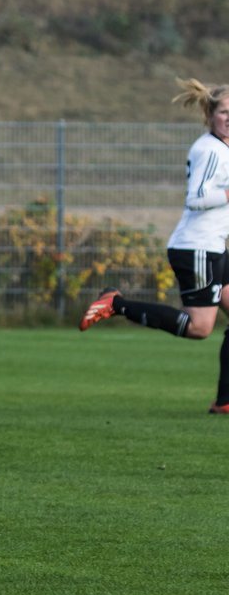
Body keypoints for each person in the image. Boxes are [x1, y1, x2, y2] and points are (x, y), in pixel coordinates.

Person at [80, 77, 229, 413]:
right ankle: (116, 304)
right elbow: (197, 199)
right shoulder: (211, 150)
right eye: (224, 111)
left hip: (213, 247)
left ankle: (225, 402)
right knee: (199, 328)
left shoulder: (223, 148)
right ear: (210, 115)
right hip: (198, 248)